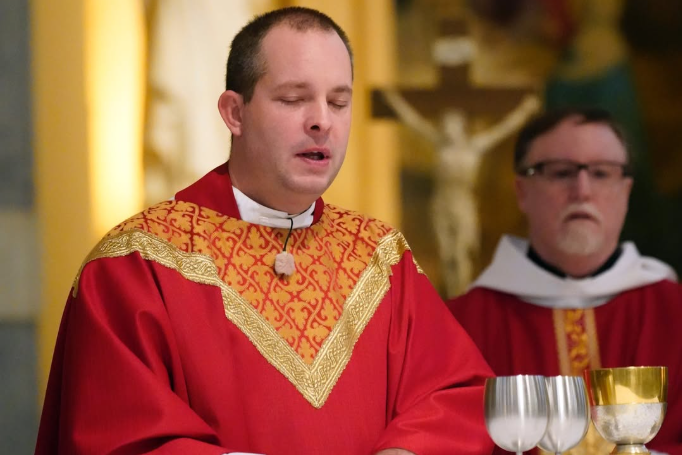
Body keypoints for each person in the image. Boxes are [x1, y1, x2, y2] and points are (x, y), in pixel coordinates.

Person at [35, 7, 495, 455]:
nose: (322, 121)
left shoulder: (379, 256)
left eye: (338, 101)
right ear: (234, 113)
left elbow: (460, 396)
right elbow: (120, 435)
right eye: (294, 99)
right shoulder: (136, 264)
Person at [448, 107, 682, 454]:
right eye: (560, 173)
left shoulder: (674, 313)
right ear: (522, 191)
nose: (582, 190)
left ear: (626, 191)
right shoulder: (461, 327)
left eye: (602, 173)